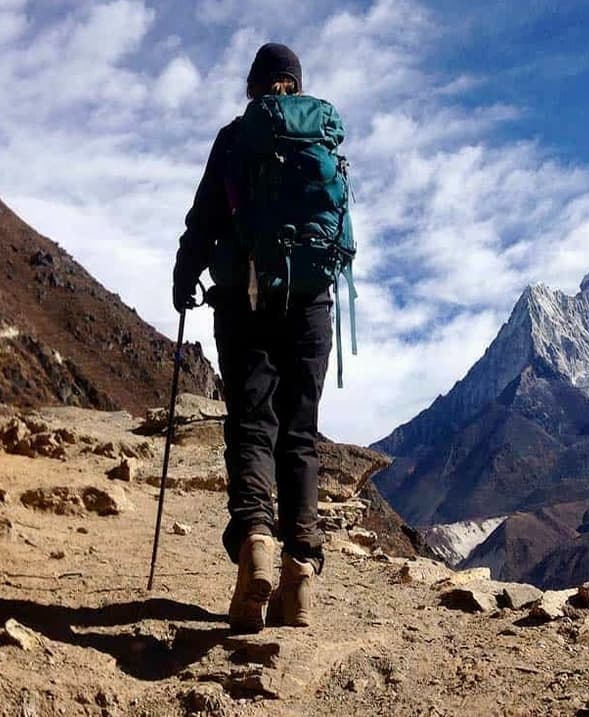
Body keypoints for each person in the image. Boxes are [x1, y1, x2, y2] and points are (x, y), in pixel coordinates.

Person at [172, 43, 345, 633]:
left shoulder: (234, 138)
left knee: (251, 424)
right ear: (297, 85)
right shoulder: (322, 140)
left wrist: (184, 274)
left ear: (254, 85)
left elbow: (204, 219)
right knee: (299, 435)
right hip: (313, 306)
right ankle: (299, 579)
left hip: (246, 301)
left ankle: (256, 543)